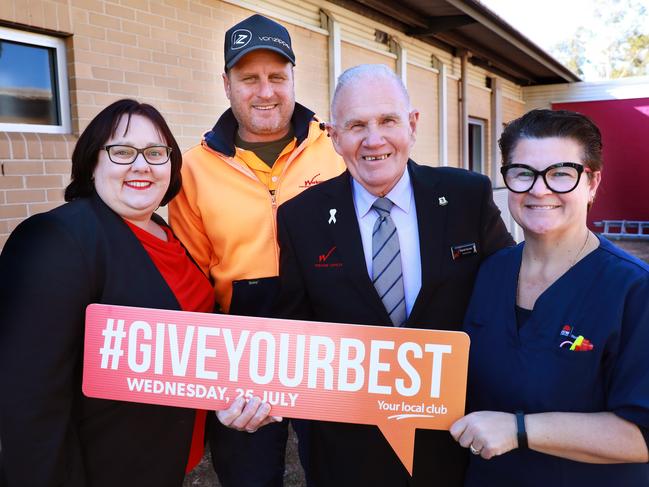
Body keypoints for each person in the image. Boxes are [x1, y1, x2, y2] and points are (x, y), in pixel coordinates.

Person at [273, 64, 514, 486]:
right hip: (347, 451)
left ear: (413, 124)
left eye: (387, 120)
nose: (373, 140)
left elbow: (506, 299)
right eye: (356, 125)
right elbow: (296, 329)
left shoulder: (466, 197)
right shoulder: (300, 217)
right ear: (333, 136)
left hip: (456, 440)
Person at [0, 99, 221, 486]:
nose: (141, 165)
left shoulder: (166, 234)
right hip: (103, 469)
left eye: (155, 152)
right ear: (92, 162)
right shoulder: (56, 239)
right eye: (121, 152)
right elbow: (27, 404)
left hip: (166, 459)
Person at [168, 13, 345, 487]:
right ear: (226, 84)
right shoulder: (192, 169)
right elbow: (192, 278)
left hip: (331, 336)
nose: (265, 91)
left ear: (292, 78)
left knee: (341, 468)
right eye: (249, 78)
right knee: (249, 474)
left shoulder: (337, 148)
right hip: (242, 342)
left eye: (276, 76)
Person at [450, 109, 649, 486]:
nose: (539, 189)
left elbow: (642, 435)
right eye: (523, 173)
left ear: (592, 183)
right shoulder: (488, 274)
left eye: (561, 173)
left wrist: (520, 430)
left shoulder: (633, 289)